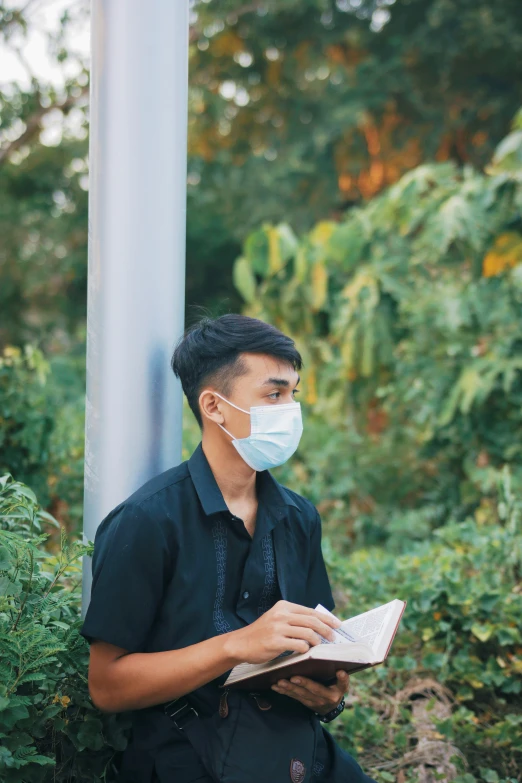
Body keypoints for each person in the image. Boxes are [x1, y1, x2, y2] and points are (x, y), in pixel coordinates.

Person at [80, 314, 376, 783]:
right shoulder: (147, 522)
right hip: (190, 760)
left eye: (293, 394)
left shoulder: (299, 518)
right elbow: (107, 685)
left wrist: (329, 698)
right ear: (214, 407)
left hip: (300, 755)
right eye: (274, 394)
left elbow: (314, 650)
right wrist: (236, 646)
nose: (290, 410)